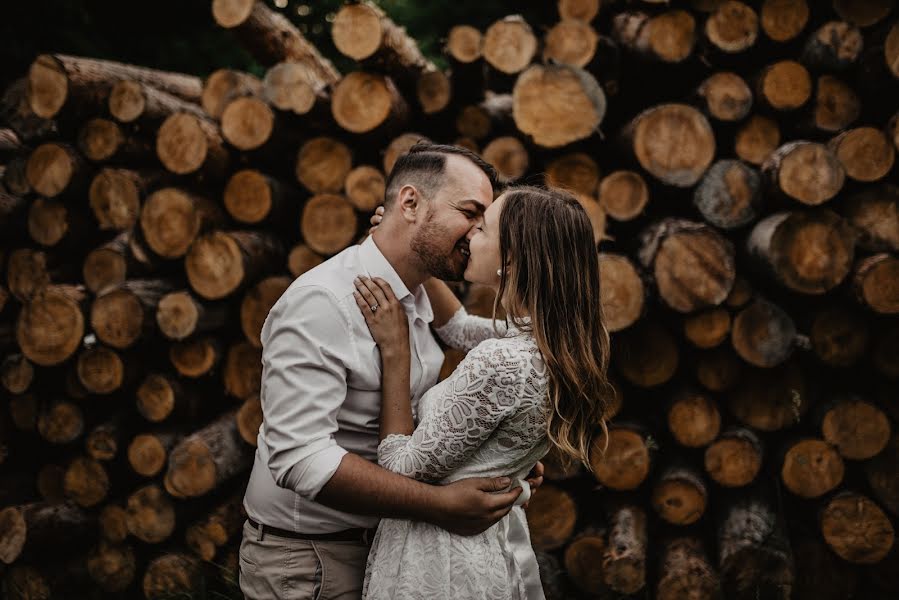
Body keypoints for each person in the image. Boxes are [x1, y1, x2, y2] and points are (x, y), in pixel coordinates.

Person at [239, 142, 545, 600]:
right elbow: (299, 459)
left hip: (387, 550)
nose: (478, 233)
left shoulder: (417, 287)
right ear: (410, 203)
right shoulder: (323, 303)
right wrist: (438, 505)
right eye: (470, 213)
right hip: (311, 563)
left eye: (484, 222)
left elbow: (465, 336)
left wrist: (496, 455)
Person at [353, 185, 614, 599]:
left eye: (484, 227)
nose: (470, 232)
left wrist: (396, 352)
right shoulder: (548, 345)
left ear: (510, 260)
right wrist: (409, 251)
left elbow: (400, 467)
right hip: (485, 549)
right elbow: (456, 328)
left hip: (441, 562)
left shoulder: (501, 361)